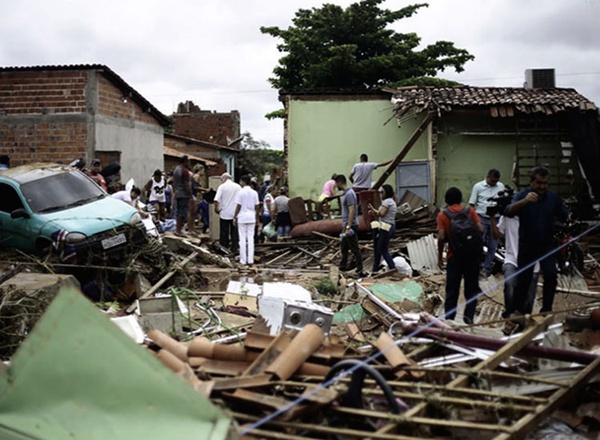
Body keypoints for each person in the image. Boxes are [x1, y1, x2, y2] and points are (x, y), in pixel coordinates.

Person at [507, 166, 568, 315]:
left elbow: (563, 214)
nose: (542, 187)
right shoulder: (523, 195)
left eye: (545, 183)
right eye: (539, 183)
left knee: (551, 275)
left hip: (546, 244)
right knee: (523, 281)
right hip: (527, 244)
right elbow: (508, 211)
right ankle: (517, 312)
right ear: (531, 182)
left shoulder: (552, 197)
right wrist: (525, 202)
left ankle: (546, 310)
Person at [437, 187, 484, 324]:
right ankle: (468, 319)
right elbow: (480, 229)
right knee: (471, 289)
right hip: (472, 257)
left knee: (452, 291)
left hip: (454, 257)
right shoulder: (470, 211)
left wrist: (440, 256)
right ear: (460, 198)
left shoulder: (443, 215)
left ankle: (449, 321)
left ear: (446, 200)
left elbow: (441, 237)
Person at [490, 211, 540, 333]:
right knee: (510, 284)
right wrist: (491, 218)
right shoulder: (507, 216)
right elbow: (497, 234)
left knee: (529, 296)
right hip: (512, 258)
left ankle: (523, 321)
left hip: (532, 261)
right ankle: (510, 316)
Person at [468, 169, 505, 277]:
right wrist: (474, 220)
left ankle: (486, 269)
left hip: (496, 220)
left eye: (496, 181)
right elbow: (471, 204)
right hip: (482, 218)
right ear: (487, 177)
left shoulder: (500, 186)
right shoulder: (478, 187)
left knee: (493, 246)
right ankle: (475, 267)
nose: (494, 183)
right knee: (478, 244)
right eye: (493, 181)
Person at [335, 174, 365, 277]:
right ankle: (342, 268)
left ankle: (360, 269)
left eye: (336, 184)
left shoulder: (349, 194)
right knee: (344, 248)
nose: (335, 186)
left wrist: (348, 227)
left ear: (340, 182)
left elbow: (352, 211)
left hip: (350, 226)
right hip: (347, 225)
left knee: (354, 248)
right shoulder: (347, 193)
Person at [368, 184, 397, 274]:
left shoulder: (387, 202)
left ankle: (391, 268)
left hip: (385, 227)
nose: (380, 194)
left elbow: (381, 213)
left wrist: (373, 209)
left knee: (381, 249)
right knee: (380, 248)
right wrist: (374, 212)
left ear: (387, 192)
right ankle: (377, 269)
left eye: (382, 192)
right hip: (388, 226)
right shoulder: (391, 201)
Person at [233, 175, 261, 265]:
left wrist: (235, 216)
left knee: (242, 239)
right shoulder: (254, 193)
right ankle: (250, 260)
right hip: (251, 217)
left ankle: (243, 260)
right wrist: (257, 218)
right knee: (250, 238)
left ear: (243, 182)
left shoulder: (240, 192)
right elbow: (257, 207)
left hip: (242, 217)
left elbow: (238, 205)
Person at [214, 172, 241, 252]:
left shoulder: (222, 187)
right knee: (234, 233)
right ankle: (235, 248)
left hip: (224, 213)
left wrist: (216, 209)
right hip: (235, 214)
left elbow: (216, 199)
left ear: (224, 178)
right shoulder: (238, 187)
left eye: (221, 179)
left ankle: (223, 248)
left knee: (224, 232)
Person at [173, 155, 194, 237]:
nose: (189, 163)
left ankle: (178, 229)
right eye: (188, 162)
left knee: (179, 212)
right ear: (185, 162)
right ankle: (179, 230)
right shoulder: (184, 171)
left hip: (178, 192)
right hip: (184, 194)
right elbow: (186, 184)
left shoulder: (176, 169)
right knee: (182, 212)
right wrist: (190, 195)